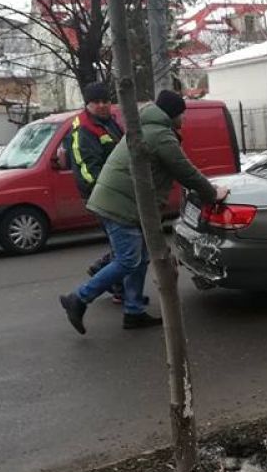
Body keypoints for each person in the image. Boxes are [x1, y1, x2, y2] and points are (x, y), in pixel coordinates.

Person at [58, 90, 230, 334]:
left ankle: (134, 310)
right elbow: (185, 171)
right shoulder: (159, 135)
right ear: (172, 114)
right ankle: (78, 298)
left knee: (140, 257)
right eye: (181, 114)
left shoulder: (145, 127)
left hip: (122, 202)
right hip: (120, 204)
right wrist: (212, 194)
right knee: (128, 259)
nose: (184, 119)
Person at [65, 81, 126, 285]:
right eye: (96, 102)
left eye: (105, 101)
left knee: (125, 244)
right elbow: (88, 172)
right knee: (125, 246)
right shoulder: (83, 129)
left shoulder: (109, 122)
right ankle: (114, 286)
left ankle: (103, 271)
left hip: (114, 192)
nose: (102, 105)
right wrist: (112, 192)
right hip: (102, 195)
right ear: (87, 104)